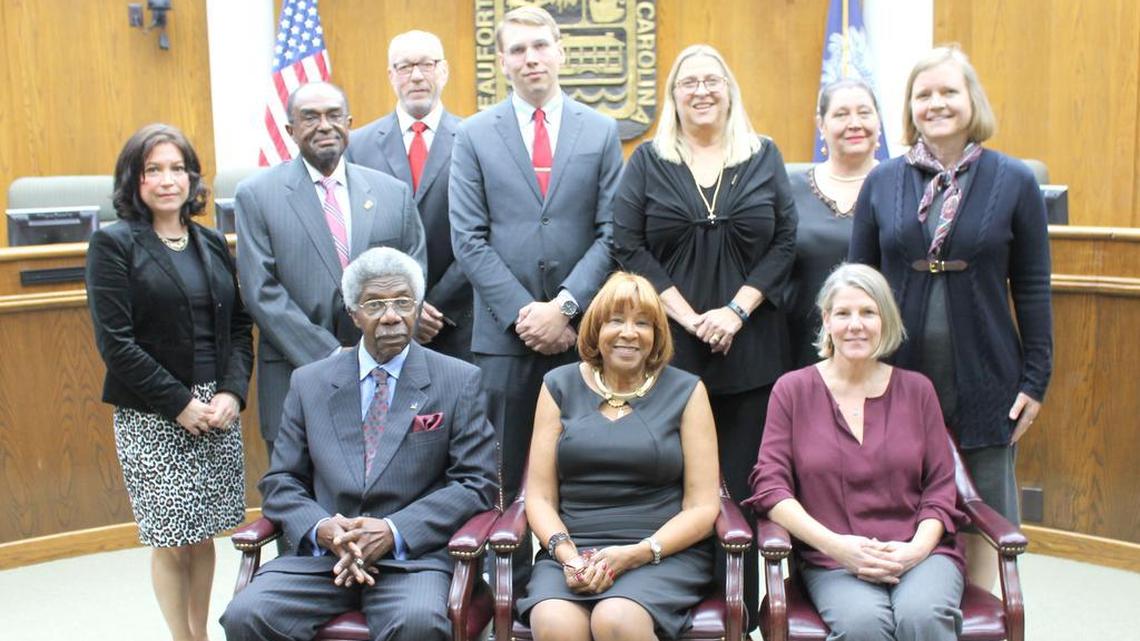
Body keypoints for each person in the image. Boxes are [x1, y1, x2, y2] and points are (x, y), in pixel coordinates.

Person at [848, 45, 1051, 588]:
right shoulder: (881, 181)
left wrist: (1036, 379)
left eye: (948, 92)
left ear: (971, 101)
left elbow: (1032, 288)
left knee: (984, 510)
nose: (935, 103)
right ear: (910, 106)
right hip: (893, 372)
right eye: (924, 94)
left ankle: (986, 610)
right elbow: (856, 281)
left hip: (989, 376)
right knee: (898, 498)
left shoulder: (1014, 181)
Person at [220, 247, 498, 641]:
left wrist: (392, 529)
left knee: (418, 623)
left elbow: (475, 484)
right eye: (375, 304)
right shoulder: (309, 382)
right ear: (353, 314)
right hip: (325, 558)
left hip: (411, 559)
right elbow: (282, 481)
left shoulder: (458, 380)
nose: (391, 315)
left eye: (403, 302)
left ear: (418, 307)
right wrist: (324, 530)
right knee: (246, 614)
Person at [612, 43, 797, 623]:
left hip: (753, 351)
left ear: (729, 89)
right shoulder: (647, 160)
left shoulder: (763, 155)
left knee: (744, 483)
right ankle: (672, 602)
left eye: (712, 80)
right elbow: (627, 244)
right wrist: (691, 317)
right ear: (673, 95)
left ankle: (736, 612)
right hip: (669, 351)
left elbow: (785, 243)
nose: (701, 91)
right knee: (673, 479)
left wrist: (735, 313)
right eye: (688, 82)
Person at [449, 5, 623, 575]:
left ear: (560, 52)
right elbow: (468, 239)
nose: (531, 59)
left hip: (583, 335)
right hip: (504, 339)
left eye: (540, 46)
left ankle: (575, 580)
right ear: (502, 62)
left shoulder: (600, 132)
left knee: (581, 466)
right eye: (518, 50)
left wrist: (566, 307)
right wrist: (529, 313)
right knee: (499, 477)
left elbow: (612, 232)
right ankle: (505, 599)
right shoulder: (474, 135)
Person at [86, 123, 253, 641]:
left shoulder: (208, 240)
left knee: (202, 535)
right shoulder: (113, 244)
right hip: (155, 413)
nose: (167, 180)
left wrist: (230, 392)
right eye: (152, 169)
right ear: (134, 181)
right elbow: (116, 343)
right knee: (171, 535)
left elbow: (240, 327)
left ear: (192, 177)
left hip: (216, 409)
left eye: (177, 168)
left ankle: (198, 634)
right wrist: (180, 403)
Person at [746, 263, 966, 641]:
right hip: (833, 558)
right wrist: (837, 547)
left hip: (920, 552)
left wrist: (915, 550)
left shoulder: (918, 390)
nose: (855, 324)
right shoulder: (792, 390)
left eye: (868, 312)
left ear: (886, 321)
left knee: (923, 617)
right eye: (843, 313)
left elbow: (941, 488)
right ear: (827, 321)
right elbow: (771, 488)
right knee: (864, 626)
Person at [520, 272, 720, 641]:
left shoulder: (687, 390)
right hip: (574, 550)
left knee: (616, 619)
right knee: (554, 622)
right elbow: (540, 497)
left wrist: (637, 554)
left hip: (661, 551)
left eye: (642, 323)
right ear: (596, 328)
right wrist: (568, 556)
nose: (629, 332)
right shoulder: (558, 386)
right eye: (616, 321)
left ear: (657, 336)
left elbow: (703, 507)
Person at [236, 81, 427, 455]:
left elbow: (413, 274)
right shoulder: (257, 195)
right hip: (298, 371)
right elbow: (261, 290)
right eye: (310, 117)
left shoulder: (392, 192)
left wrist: (375, 349)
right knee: (305, 499)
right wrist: (332, 358)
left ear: (349, 123)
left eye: (333, 115)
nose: (324, 125)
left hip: (387, 368)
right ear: (290, 130)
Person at [347, 30, 473, 362]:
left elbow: (483, 230)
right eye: (404, 67)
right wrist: (401, 305)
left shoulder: (475, 138)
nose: (416, 75)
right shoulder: (357, 146)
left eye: (426, 64)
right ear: (391, 75)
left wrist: (435, 306)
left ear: (443, 70)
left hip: (456, 322)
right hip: (380, 324)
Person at [788, 78, 882, 367]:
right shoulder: (787, 188)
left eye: (864, 113)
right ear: (821, 124)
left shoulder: (903, 185)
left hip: (879, 346)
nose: (854, 123)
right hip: (799, 347)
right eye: (841, 114)